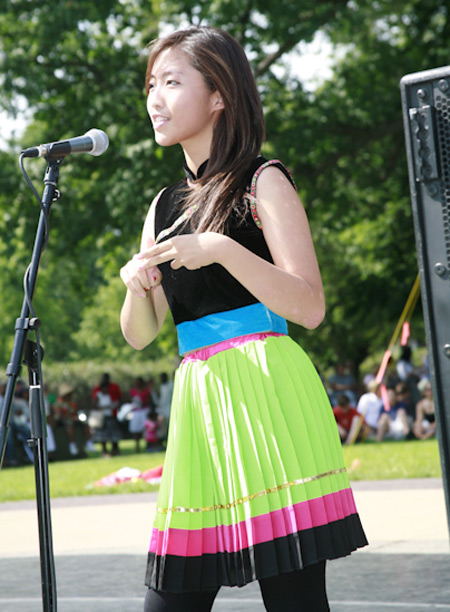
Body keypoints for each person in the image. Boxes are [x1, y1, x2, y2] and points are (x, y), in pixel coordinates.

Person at [119, 26, 367, 612]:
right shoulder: (162, 206)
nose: (154, 97)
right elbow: (139, 333)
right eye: (151, 83)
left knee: (295, 600)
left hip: (269, 396)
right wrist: (136, 286)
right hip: (200, 407)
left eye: (172, 82)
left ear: (219, 94)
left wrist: (224, 250)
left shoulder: (263, 181)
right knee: (171, 599)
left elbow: (309, 306)